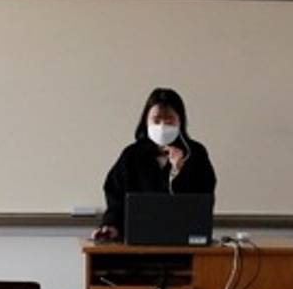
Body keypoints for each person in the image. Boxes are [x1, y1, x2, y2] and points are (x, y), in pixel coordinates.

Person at [93, 88, 217, 242]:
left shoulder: (195, 153)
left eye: (169, 120)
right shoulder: (131, 155)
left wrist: (179, 171)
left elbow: (203, 200)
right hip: (137, 243)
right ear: (146, 121)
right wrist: (111, 226)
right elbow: (116, 198)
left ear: (180, 121)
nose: (162, 126)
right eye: (156, 120)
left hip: (184, 242)